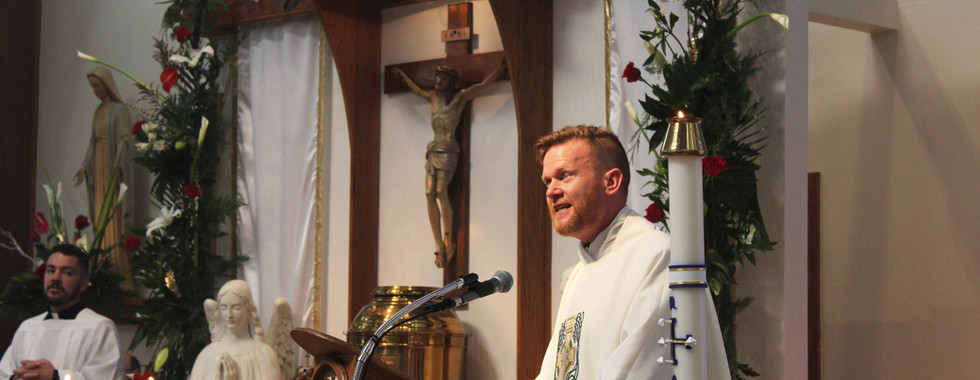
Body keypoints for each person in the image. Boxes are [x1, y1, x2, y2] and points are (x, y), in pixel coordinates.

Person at [533, 125, 730, 380]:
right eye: (547, 181)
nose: (551, 191)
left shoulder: (656, 256)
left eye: (565, 175)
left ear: (611, 182)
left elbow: (642, 370)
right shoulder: (579, 274)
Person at [392, 58, 507, 268]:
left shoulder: (459, 99)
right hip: (433, 149)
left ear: (451, 82)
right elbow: (416, 90)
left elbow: (483, 85)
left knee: (440, 192)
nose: (438, 81)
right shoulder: (432, 99)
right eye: (437, 77)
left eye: (443, 78)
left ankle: (448, 239)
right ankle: (439, 244)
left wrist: (501, 68)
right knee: (428, 194)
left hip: (448, 151)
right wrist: (404, 77)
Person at [0, 244, 127, 380]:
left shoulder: (99, 327)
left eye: (67, 273)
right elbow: (4, 374)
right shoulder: (27, 327)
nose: (55, 278)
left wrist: (54, 376)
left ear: (83, 284)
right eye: (51, 270)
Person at [74, 66, 134, 292]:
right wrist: (84, 166)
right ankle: (102, 269)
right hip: (98, 171)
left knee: (113, 219)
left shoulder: (119, 110)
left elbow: (125, 140)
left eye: (96, 85)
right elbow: (93, 142)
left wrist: (117, 165)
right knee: (100, 216)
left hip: (111, 170)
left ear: (107, 85)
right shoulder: (98, 111)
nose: (94, 91)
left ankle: (120, 273)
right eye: (92, 87)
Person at [189, 280, 280, 380]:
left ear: (248, 309)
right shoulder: (207, 356)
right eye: (223, 308)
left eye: (236, 307)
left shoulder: (265, 355)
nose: (229, 315)